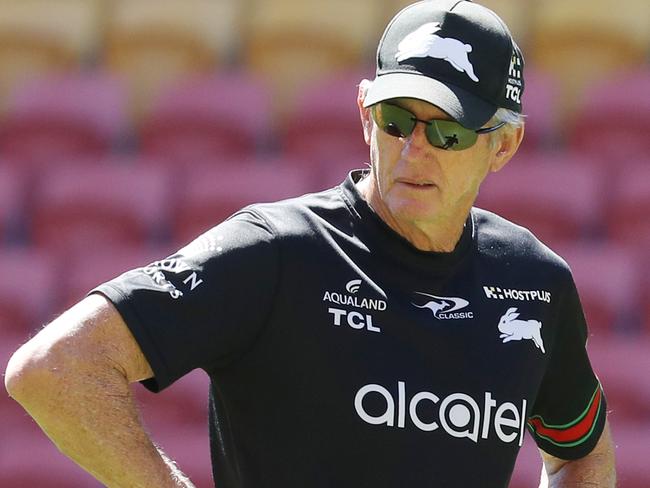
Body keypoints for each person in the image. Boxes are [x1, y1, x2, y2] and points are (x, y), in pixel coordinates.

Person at [4, 1, 615, 487]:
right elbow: (56, 367)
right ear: (362, 114)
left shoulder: (536, 282)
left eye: (448, 132)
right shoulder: (275, 251)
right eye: (396, 121)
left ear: (502, 146)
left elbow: (579, 454)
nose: (413, 149)